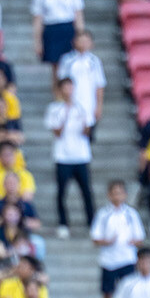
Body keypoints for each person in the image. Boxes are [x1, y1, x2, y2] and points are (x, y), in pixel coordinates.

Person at [92, 180, 147, 298]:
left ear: (125, 195)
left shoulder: (131, 214)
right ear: (109, 195)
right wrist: (107, 241)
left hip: (127, 261)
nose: (117, 196)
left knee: (130, 297)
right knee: (107, 297)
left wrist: (132, 242)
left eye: (120, 192)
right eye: (114, 192)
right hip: (108, 261)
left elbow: (140, 238)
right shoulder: (103, 214)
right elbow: (96, 238)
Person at [46, 78, 93, 237]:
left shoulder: (82, 107)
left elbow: (87, 132)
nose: (68, 91)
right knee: (61, 192)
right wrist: (65, 114)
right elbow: (57, 132)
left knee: (86, 191)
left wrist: (85, 123)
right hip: (62, 156)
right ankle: (63, 223)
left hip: (81, 155)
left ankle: (91, 222)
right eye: (65, 88)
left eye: (70, 87)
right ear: (60, 90)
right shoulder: (54, 108)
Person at [30, 0, 84, 67]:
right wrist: (37, 42)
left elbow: (78, 15)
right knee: (56, 65)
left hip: (68, 27)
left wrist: (80, 34)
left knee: (72, 63)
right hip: (51, 29)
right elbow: (37, 20)